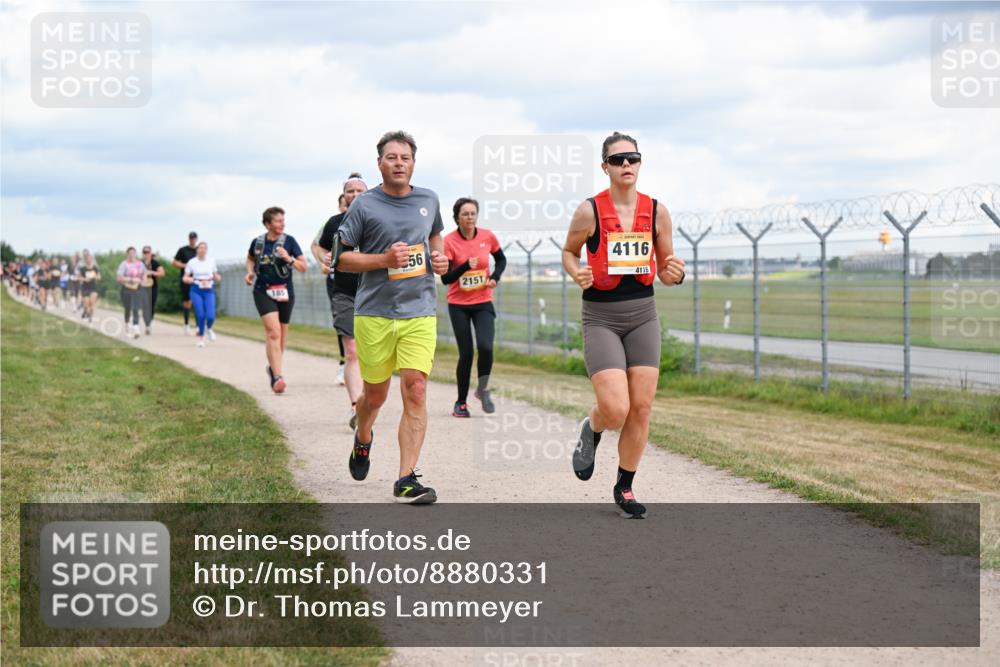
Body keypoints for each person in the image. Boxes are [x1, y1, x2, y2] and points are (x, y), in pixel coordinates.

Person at [561, 132, 686, 519]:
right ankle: (593, 426)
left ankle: (625, 485)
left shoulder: (657, 211)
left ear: (640, 162)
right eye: (618, 160)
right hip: (601, 315)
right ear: (605, 167)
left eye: (632, 158)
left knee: (642, 408)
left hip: (642, 314)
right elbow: (569, 252)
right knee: (616, 409)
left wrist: (674, 273)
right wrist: (576, 272)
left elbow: (665, 269)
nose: (626, 165)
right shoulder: (589, 211)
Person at [337, 130, 448, 504]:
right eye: (391, 157)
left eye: (405, 157)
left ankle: (406, 479)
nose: (399, 163)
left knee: (415, 387)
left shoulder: (429, 200)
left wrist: (440, 259)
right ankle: (363, 436)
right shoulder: (364, 206)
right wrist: (384, 260)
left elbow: (435, 240)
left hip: (419, 310)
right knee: (376, 396)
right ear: (380, 163)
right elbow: (343, 259)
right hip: (375, 313)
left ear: (413, 163)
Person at [441, 197, 506, 417]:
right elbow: (446, 278)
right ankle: (460, 402)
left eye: (473, 213)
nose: (470, 218)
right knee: (466, 353)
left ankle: (482, 389)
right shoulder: (448, 241)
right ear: (457, 217)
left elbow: (501, 259)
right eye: (465, 214)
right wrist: (464, 267)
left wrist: (495, 277)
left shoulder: (487, 236)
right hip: (458, 304)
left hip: (483, 301)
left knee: (486, 347)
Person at [317, 172, 368, 429]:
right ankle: (357, 408)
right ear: (344, 196)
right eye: (351, 191)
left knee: (373, 355)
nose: (355, 195)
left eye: (360, 190)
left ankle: (368, 402)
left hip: (374, 294)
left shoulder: (376, 222)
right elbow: (321, 246)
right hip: (344, 293)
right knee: (352, 351)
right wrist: (325, 258)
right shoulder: (334, 222)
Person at [245, 206, 307, 393]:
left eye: (283, 220)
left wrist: (289, 259)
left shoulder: (290, 242)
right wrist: (249, 272)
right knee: (273, 333)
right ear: (268, 224)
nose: (282, 224)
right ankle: (278, 378)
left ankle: (273, 369)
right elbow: (250, 259)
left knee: (281, 337)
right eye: (278, 221)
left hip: (286, 292)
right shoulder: (257, 243)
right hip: (263, 291)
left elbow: (303, 267)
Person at [183, 242, 221, 348]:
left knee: (210, 315)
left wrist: (217, 277)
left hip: (209, 290)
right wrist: (194, 280)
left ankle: (209, 328)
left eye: (204, 248)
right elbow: (185, 277)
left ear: (207, 250)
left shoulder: (211, 261)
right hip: (196, 290)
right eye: (200, 248)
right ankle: (201, 338)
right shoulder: (192, 262)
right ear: (197, 250)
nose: (202, 250)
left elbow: (215, 274)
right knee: (200, 314)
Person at [173, 232, 199, 335]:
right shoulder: (183, 250)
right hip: (186, 279)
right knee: (187, 302)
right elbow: (175, 262)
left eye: (194, 238)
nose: (192, 240)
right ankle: (187, 324)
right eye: (191, 238)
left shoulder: (199, 250)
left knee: (196, 302)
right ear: (189, 239)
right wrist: (185, 266)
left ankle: (198, 326)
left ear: (196, 239)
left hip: (197, 279)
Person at [117, 247, 145, 339]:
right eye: (130, 253)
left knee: (136, 307)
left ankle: (136, 328)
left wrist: (141, 281)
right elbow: (119, 278)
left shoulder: (140, 264)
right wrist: (130, 279)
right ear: (127, 254)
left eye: (134, 253)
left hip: (137, 289)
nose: (132, 254)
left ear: (136, 254)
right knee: (128, 308)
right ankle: (128, 326)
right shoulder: (124, 264)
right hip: (126, 289)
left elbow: (144, 276)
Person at [140, 246, 165, 334]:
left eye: (147, 252)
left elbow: (162, 273)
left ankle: (148, 324)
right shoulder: (140, 263)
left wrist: (152, 272)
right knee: (144, 306)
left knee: (151, 306)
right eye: (144, 252)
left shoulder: (155, 263)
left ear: (151, 253)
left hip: (153, 287)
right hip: (142, 287)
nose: (146, 254)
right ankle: (147, 324)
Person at [77, 251, 101, 323]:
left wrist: (96, 277)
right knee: (86, 304)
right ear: (85, 260)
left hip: (93, 288)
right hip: (85, 288)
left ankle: (90, 316)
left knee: (92, 302)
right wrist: (85, 279)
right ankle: (86, 312)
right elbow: (79, 277)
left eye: (90, 258)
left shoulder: (95, 268)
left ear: (92, 259)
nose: (88, 260)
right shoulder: (82, 269)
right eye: (87, 259)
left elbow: (99, 276)